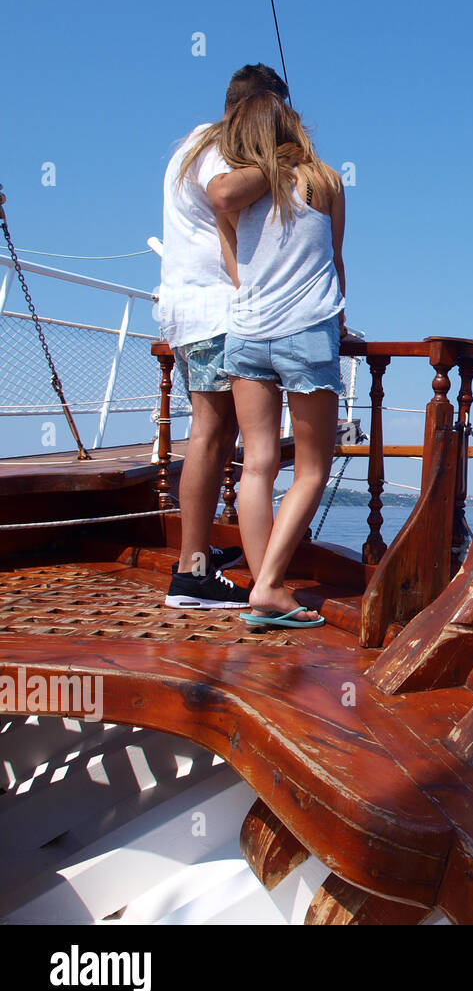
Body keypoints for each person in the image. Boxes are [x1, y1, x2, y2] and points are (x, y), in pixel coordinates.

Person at [156, 64, 287, 608]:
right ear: (259, 110)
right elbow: (225, 197)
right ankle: (191, 573)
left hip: (190, 310)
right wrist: (286, 162)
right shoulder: (218, 147)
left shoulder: (193, 142)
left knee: (214, 433)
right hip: (213, 311)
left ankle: (200, 552)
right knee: (211, 433)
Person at [215, 92, 347, 628]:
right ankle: (270, 586)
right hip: (307, 331)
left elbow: (236, 269)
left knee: (257, 465)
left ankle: (259, 583)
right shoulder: (325, 181)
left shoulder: (235, 195)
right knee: (313, 467)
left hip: (246, 332)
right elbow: (335, 260)